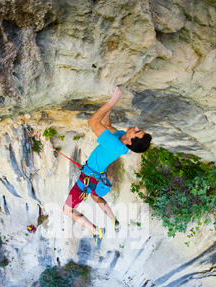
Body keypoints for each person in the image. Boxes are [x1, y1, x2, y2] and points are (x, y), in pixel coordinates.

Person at [63, 86, 152, 248]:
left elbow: (93, 122)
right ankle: (112, 221)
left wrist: (113, 101)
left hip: (87, 180)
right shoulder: (119, 138)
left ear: (131, 141)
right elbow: (107, 126)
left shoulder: (116, 145)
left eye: (136, 132)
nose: (135, 128)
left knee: (67, 210)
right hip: (92, 176)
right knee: (95, 198)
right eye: (139, 129)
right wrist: (109, 105)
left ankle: (95, 230)